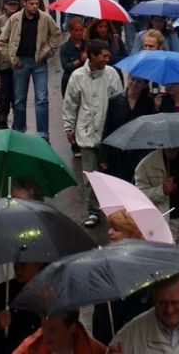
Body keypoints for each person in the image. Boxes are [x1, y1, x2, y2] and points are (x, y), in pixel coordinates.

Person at [63, 39, 124, 227]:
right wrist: (69, 127)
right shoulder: (77, 77)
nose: (108, 59)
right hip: (87, 133)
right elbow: (70, 104)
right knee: (90, 175)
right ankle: (92, 210)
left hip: (108, 134)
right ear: (92, 56)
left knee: (110, 174)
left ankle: (113, 210)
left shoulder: (112, 74)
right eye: (103, 56)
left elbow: (119, 102)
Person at [0, 0, 62, 140]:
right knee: (19, 99)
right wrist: (12, 58)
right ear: (24, 3)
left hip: (39, 62)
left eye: (37, 3)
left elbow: (56, 34)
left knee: (42, 98)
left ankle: (43, 134)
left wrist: (47, 51)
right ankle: (19, 130)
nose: (34, 6)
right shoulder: (15, 19)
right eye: (31, 3)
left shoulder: (45, 18)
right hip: (21, 62)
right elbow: (2, 41)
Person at [135, 144, 179, 273]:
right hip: (164, 223)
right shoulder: (146, 165)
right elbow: (139, 196)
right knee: (167, 270)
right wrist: (161, 190)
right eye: (170, 147)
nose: (173, 149)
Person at [91, 211, 152, 345]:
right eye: (110, 228)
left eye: (116, 229)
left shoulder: (142, 267)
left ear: (132, 234)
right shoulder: (107, 260)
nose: (109, 232)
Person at [100, 76, 155, 183]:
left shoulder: (148, 103)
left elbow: (150, 130)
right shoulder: (114, 101)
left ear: (144, 85)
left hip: (138, 154)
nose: (134, 84)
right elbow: (108, 128)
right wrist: (103, 157)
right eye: (132, 79)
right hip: (117, 153)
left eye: (139, 81)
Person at [0, 261, 44, 353]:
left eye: (23, 264)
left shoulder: (51, 292)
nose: (17, 269)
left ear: (39, 263)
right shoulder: (3, 291)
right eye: (15, 264)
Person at [15, 310, 106, 354]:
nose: (46, 335)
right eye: (43, 327)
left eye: (53, 329)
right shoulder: (28, 350)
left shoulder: (97, 351)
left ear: (71, 328)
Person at [0, 0, 20, 129]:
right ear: (5, 6)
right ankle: (3, 114)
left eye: (14, 5)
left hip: (18, 63)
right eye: (10, 5)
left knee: (17, 91)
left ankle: (18, 115)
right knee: (5, 90)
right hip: (4, 63)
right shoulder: (0, 21)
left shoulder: (20, 19)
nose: (12, 7)